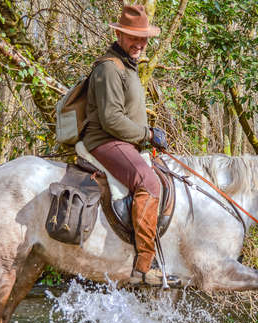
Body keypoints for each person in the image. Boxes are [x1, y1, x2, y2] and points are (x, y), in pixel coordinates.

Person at [82, 5, 171, 285]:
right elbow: (111, 120)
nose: (140, 44)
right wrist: (146, 134)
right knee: (149, 183)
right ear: (119, 34)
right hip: (106, 140)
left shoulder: (128, 66)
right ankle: (144, 267)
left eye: (144, 38)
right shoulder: (110, 68)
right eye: (134, 37)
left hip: (123, 141)